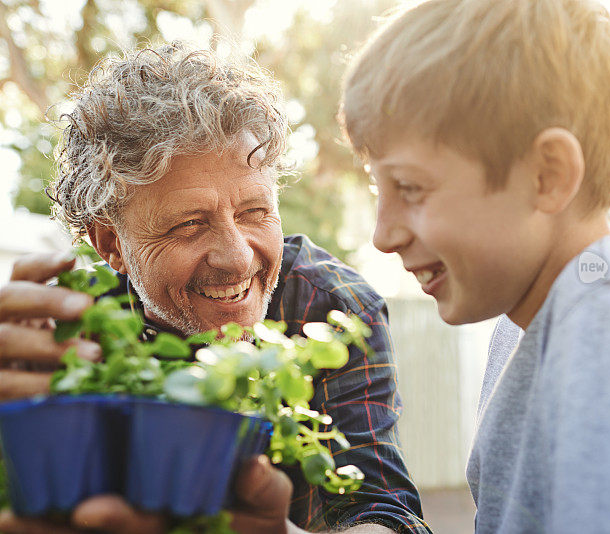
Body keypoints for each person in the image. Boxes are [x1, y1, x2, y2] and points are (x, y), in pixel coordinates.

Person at [337, 0, 610, 533]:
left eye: (410, 188)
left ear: (547, 175)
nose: (383, 234)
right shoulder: (533, 324)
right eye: (377, 188)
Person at [0, 43, 431, 534]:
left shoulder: (330, 308)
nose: (239, 257)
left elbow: (381, 513)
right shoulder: (66, 326)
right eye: (189, 224)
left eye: (255, 212)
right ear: (110, 243)